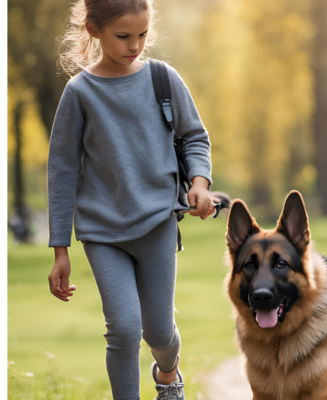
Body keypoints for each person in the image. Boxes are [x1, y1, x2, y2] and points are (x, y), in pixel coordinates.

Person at [47, 1, 214, 398]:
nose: (134, 45)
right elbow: (62, 170)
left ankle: (168, 374)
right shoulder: (80, 93)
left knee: (157, 331)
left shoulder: (162, 78)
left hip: (156, 223)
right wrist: (60, 249)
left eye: (141, 34)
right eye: (123, 36)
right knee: (123, 329)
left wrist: (201, 182)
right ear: (93, 29)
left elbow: (194, 137)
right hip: (103, 233)